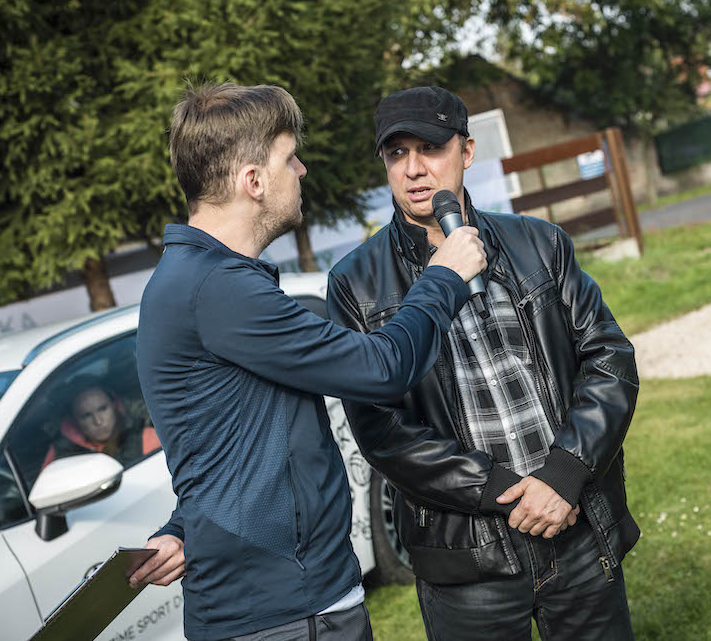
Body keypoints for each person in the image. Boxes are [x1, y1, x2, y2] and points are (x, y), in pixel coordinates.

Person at [132, 82, 487, 641]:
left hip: (299, 601)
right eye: (289, 158)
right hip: (284, 617)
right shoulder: (215, 288)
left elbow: (226, 442)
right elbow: (382, 369)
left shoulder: (203, 280)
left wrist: (183, 527)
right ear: (253, 181)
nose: (301, 170)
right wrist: (444, 275)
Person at [324, 86, 640, 640]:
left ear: (466, 151)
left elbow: (609, 360)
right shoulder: (356, 283)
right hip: (470, 556)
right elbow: (381, 429)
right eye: (397, 154)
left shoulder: (539, 243)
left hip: (573, 523)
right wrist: (501, 490)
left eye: (430, 148)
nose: (414, 169)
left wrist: (564, 474)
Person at [41, 381, 160, 469]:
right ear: (75, 421)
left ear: (114, 406)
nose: (98, 421)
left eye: (102, 409)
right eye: (86, 416)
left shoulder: (146, 438)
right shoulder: (61, 455)